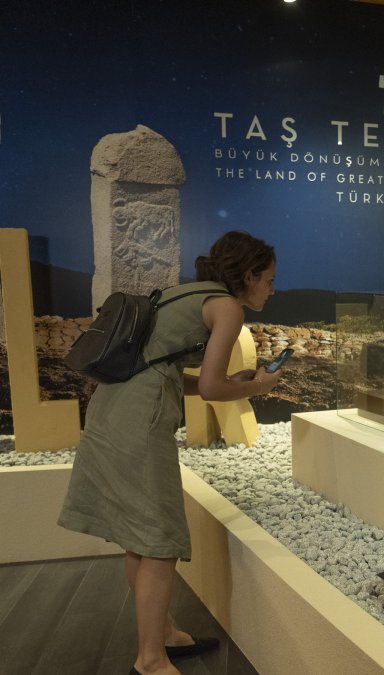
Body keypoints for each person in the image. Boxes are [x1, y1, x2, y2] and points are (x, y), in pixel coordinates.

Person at [58, 231, 281, 675]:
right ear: (250, 274)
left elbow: (164, 372)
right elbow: (214, 388)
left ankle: (164, 636)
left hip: (113, 409)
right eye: (270, 279)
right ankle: (151, 661)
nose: (273, 288)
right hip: (140, 423)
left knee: (139, 537)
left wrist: (229, 383)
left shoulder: (186, 292)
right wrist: (259, 385)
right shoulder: (228, 307)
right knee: (158, 541)